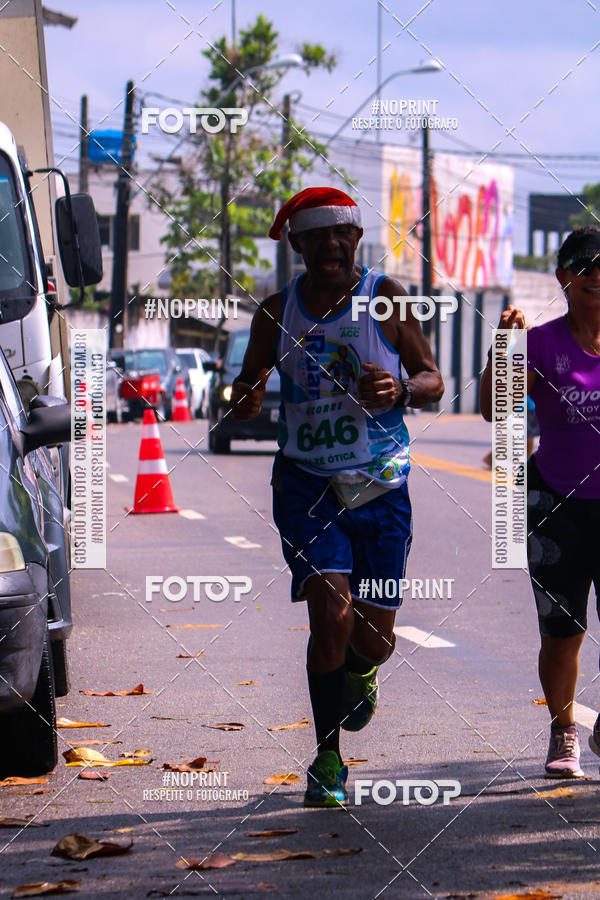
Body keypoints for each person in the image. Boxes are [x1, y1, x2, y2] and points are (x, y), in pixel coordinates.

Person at [230, 187, 444, 806]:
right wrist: (242, 398)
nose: (331, 246)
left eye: (341, 235)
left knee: (373, 636)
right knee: (330, 609)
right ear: (297, 245)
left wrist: (401, 389)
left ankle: (363, 666)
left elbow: (431, 379)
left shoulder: (385, 299)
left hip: (380, 484)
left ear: (357, 239)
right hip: (307, 481)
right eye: (316, 236)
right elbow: (245, 386)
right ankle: (327, 759)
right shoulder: (275, 312)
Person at [479, 226, 600, 778]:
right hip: (555, 505)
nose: (597, 275)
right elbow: (494, 411)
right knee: (562, 633)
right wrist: (503, 353)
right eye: (586, 266)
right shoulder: (544, 343)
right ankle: (564, 731)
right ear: (565, 277)